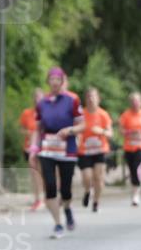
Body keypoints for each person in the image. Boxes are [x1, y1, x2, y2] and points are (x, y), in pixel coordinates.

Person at [31, 67, 83, 239]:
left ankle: (67, 208)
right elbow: (37, 129)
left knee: (66, 190)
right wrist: (33, 149)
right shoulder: (42, 103)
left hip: (67, 149)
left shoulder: (72, 100)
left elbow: (82, 125)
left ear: (62, 81)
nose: (54, 82)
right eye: (51, 79)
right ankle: (58, 223)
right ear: (48, 82)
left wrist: (70, 130)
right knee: (50, 187)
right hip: (47, 150)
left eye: (57, 79)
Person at [78, 87, 113, 212]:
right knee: (87, 177)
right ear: (85, 99)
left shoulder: (103, 114)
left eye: (93, 96)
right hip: (84, 151)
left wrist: (102, 131)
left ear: (98, 99)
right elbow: (75, 130)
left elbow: (110, 133)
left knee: (98, 177)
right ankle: (88, 191)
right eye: (88, 97)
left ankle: (96, 202)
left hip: (100, 150)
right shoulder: (81, 114)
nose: (91, 99)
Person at [20, 89, 45, 210]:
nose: (37, 100)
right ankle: (38, 199)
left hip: (44, 147)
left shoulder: (47, 112)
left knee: (42, 173)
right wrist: (29, 133)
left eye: (39, 97)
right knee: (34, 173)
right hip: (29, 147)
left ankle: (44, 197)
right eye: (35, 97)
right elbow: (21, 129)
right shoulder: (27, 113)